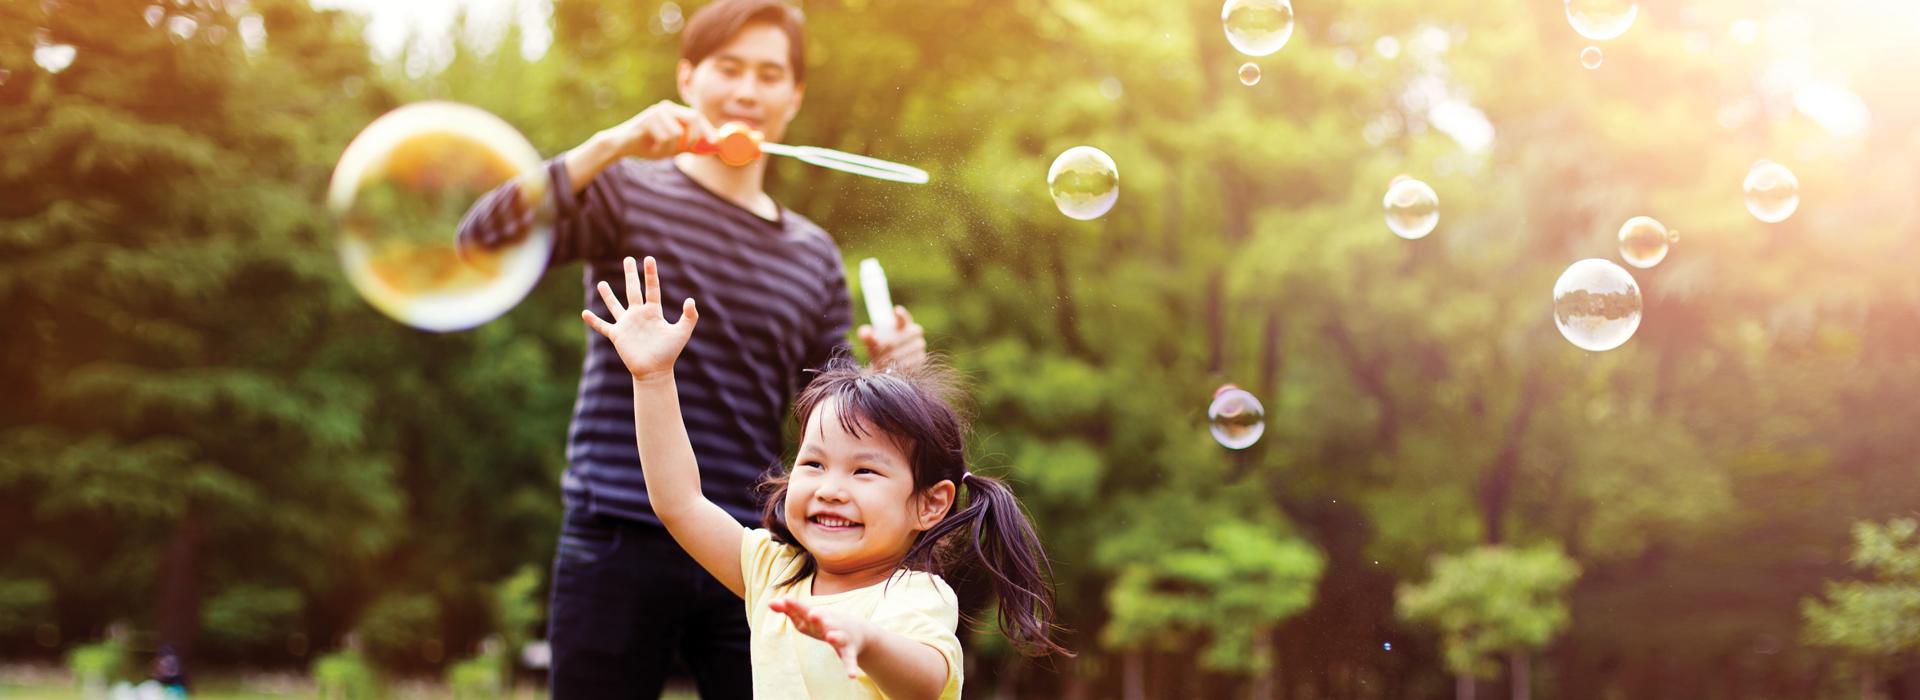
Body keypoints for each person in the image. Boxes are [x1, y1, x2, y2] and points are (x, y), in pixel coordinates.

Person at [456, 1, 927, 696]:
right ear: (687, 77)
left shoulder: (813, 256)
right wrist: (610, 144)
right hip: (614, 533)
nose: (746, 91)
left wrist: (888, 381)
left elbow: (828, 419)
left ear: (793, 97)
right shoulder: (625, 192)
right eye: (727, 69)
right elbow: (481, 241)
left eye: (769, 75)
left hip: (748, 553)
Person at [582, 256, 1071, 698]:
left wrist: (869, 641)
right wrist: (652, 378)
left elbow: (925, 682)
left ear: (931, 503)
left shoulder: (912, 595)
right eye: (813, 464)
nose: (830, 490)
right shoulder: (774, 572)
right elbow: (679, 502)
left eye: (864, 471)